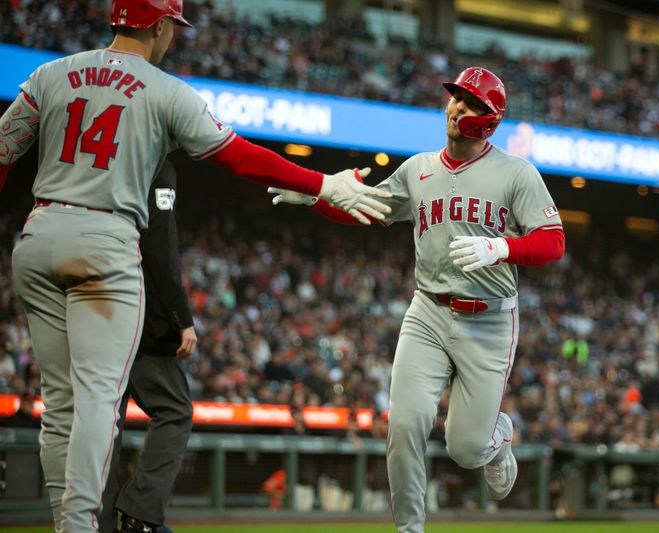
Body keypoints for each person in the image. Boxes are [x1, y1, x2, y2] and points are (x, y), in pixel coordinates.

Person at [0, 1, 391, 530]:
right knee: (96, 400)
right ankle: (77, 525)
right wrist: (322, 182)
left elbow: (3, 151)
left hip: (40, 231)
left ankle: (64, 520)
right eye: (173, 28)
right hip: (106, 240)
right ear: (160, 25)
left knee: (60, 405)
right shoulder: (166, 90)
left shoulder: (50, 74)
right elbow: (239, 156)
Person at [269, 66, 565, 532]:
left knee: (465, 450)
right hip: (427, 310)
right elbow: (370, 207)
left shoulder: (516, 172)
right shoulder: (419, 167)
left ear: (489, 118)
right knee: (404, 427)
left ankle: (497, 436)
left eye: (468, 103)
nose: (455, 107)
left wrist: (502, 246)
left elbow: (553, 241)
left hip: (488, 321)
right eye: (454, 98)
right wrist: (317, 194)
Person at [97, 160, 194, 533]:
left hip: (77, 287)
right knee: (174, 407)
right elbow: (158, 243)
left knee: (104, 420)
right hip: (131, 308)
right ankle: (140, 514)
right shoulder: (157, 162)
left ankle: (95, 522)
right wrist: (179, 316)